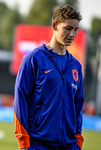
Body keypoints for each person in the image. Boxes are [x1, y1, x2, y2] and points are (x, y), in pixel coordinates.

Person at [13, 4, 84, 150]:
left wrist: (77, 142)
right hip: (38, 144)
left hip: (69, 146)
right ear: (55, 25)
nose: (72, 34)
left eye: (75, 29)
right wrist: (24, 143)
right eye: (68, 28)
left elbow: (78, 107)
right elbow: (20, 101)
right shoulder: (33, 59)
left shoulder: (76, 66)